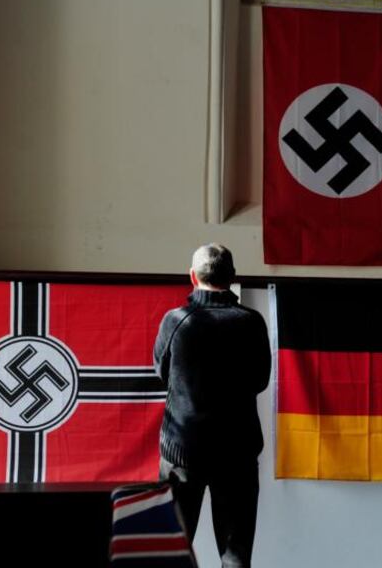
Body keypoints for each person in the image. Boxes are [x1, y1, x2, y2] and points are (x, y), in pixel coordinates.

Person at [153, 243, 271, 568]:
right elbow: (260, 380)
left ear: (192, 277)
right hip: (238, 457)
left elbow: (161, 374)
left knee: (171, 551)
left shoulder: (176, 321)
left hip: (182, 457)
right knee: (235, 558)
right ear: (232, 277)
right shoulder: (252, 322)